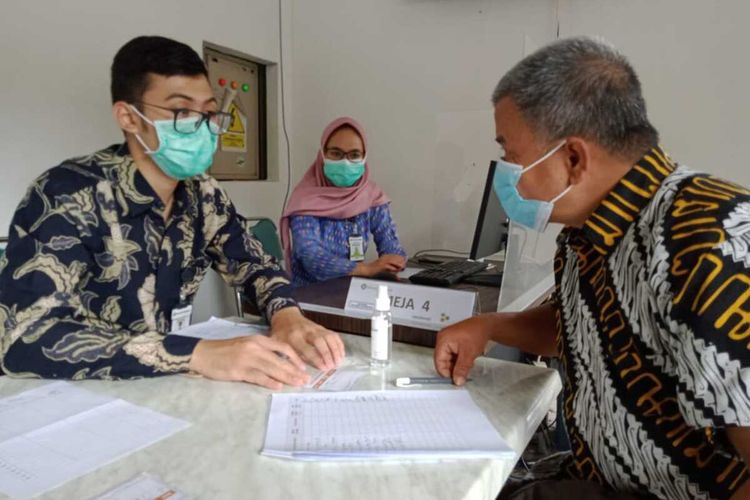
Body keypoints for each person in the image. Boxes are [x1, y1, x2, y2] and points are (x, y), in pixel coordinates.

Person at [433, 37, 750, 499]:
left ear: (574, 159)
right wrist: (488, 326)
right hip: (592, 479)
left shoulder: (708, 242)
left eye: (510, 154)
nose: (504, 170)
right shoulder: (589, 233)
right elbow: (587, 327)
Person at [0, 36, 345, 389]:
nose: (202, 127)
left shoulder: (202, 193)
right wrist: (197, 354)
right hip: (67, 396)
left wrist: (286, 315)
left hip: (163, 392)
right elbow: (26, 337)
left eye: (209, 113)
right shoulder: (67, 194)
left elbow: (254, 264)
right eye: (182, 113)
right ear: (128, 117)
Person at [280, 117, 407, 286]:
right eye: (336, 153)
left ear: (364, 156)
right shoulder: (305, 200)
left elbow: (389, 241)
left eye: (354, 155)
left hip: (355, 290)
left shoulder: (372, 196)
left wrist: (393, 260)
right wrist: (365, 270)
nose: (345, 162)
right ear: (323, 154)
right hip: (311, 295)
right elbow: (309, 255)